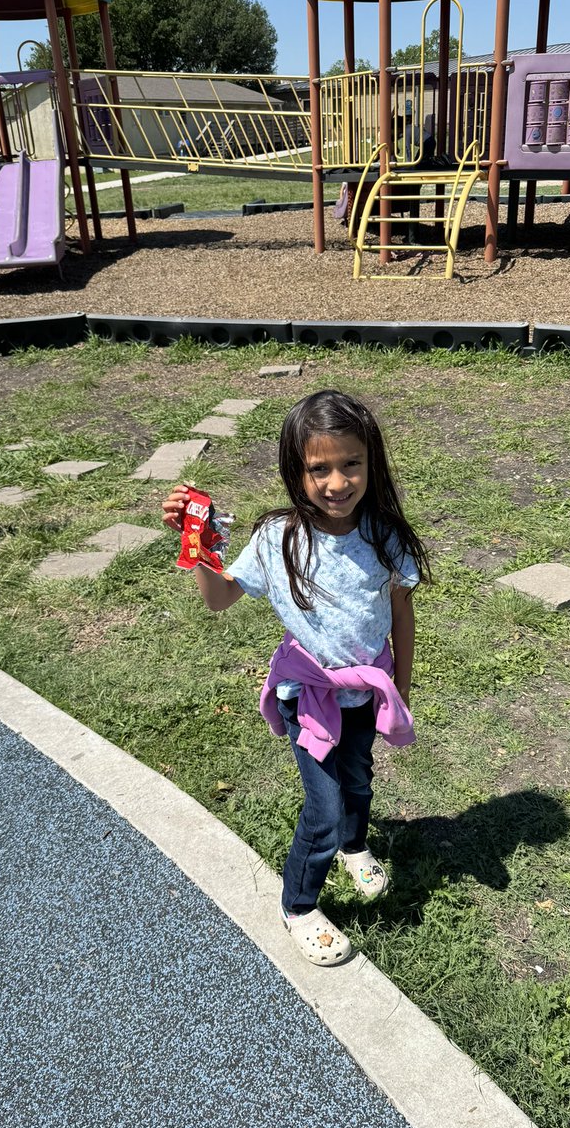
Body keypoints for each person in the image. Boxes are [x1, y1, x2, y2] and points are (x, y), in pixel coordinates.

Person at [161, 390, 430, 966]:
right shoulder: (278, 538)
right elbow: (219, 601)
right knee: (325, 807)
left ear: (371, 463)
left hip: (367, 689)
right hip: (307, 695)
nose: (337, 482)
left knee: (359, 777)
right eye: (319, 468)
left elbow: (403, 614)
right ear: (295, 470)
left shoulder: (386, 536)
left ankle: (355, 848)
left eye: (350, 463)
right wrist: (199, 550)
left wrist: (401, 688)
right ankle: (299, 904)